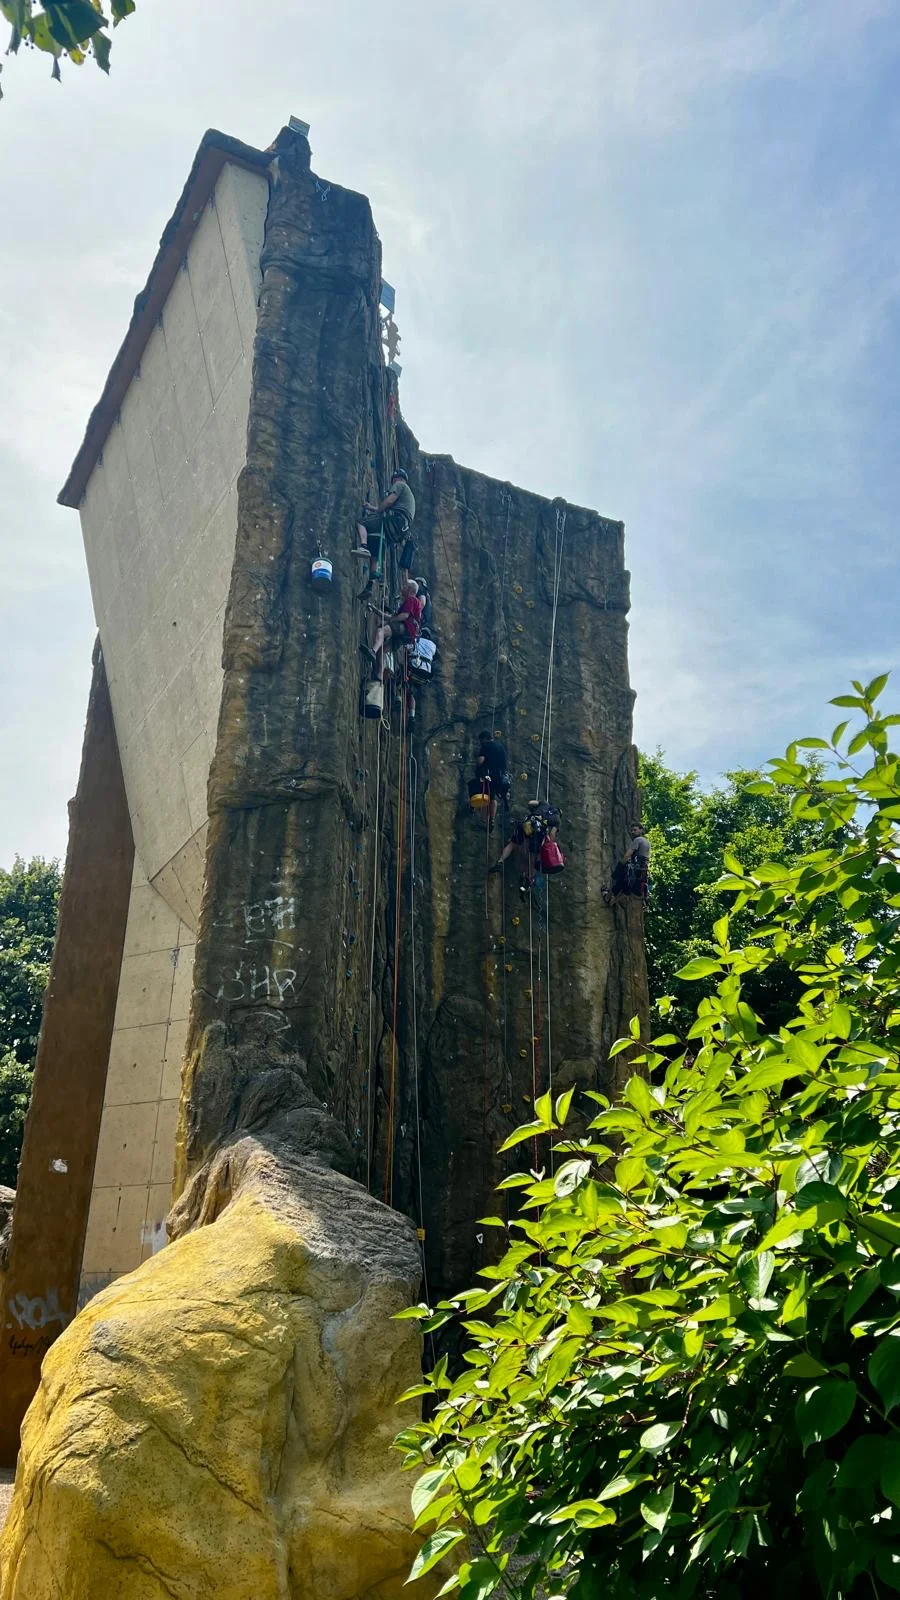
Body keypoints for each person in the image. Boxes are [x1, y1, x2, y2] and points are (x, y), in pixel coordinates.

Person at [353, 468, 416, 590]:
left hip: (393, 520)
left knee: (361, 523)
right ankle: (371, 582)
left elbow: (388, 502)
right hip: (399, 531)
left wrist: (378, 510)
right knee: (377, 543)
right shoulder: (410, 496)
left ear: (397, 478)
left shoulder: (399, 485)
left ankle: (363, 547)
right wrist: (372, 508)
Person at [362, 580, 423, 683]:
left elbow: (404, 616)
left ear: (409, 589)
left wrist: (387, 623)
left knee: (382, 631)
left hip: (406, 627)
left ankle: (372, 651)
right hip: (409, 635)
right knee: (383, 649)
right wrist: (375, 610)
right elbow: (392, 616)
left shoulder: (412, 599)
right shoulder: (410, 603)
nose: (402, 588)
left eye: (405, 586)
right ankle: (379, 676)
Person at [604, 823, 650, 903]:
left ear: (641, 830)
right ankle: (613, 902)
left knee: (618, 880)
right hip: (642, 871)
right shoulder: (647, 842)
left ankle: (607, 897)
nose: (632, 832)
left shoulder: (638, 840)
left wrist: (621, 865)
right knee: (627, 889)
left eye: (635, 830)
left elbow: (628, 854)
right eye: (631, 830)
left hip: (633, 867)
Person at [474, 731, 510, 824]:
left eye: (481, 740)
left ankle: (485, 819)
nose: (480, 743)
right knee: (493, 798)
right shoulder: (501, 747)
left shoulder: (485, 746)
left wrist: (478, 763)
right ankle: (492, 819)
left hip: (489, 775)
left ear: (485, 738)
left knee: (485, 795)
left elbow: (480, 761)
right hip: (501, 776)